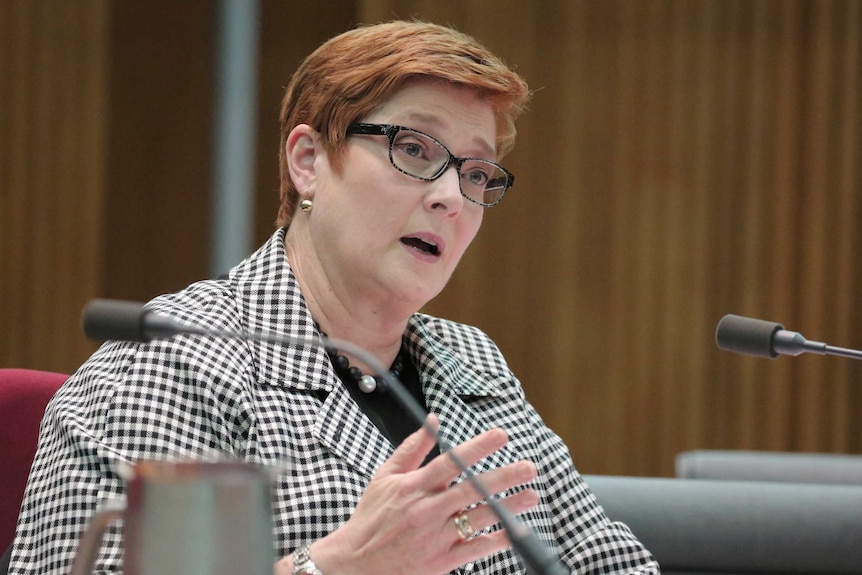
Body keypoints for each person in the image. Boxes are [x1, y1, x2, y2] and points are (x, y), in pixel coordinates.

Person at [9, 20, 659, 575]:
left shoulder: (473, 367)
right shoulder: (191, 364)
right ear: (308, 160)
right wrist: (340, 563)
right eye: (414, 148)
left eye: (476, 171)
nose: (450, 197)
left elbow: (611, 562)